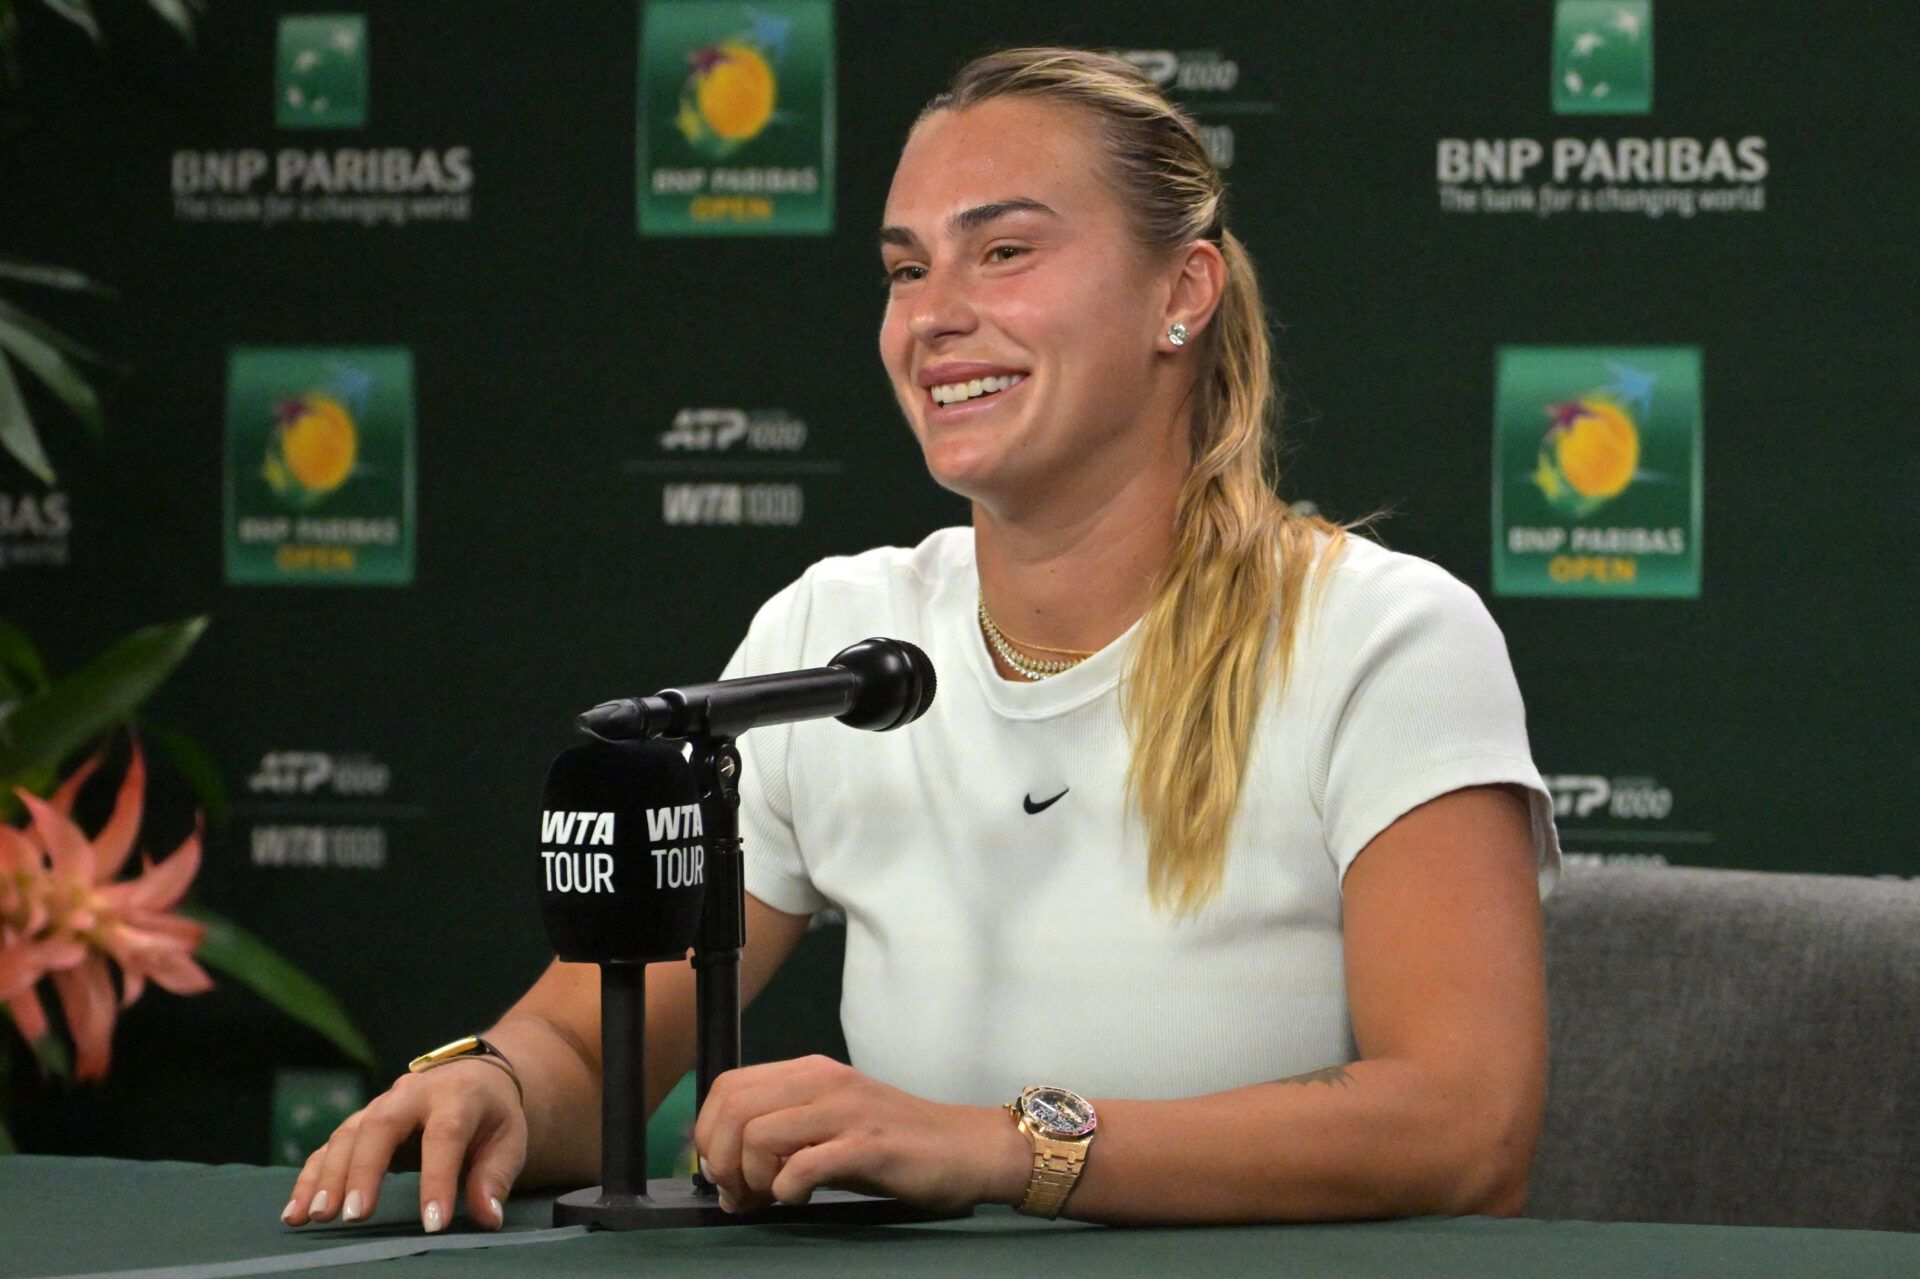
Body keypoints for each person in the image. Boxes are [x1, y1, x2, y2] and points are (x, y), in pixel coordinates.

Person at [281, 47, 1560, 1232]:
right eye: (906, 269)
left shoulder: (1382, 637)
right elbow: (585, 1050)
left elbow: (1464, 1125)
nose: (932, 315)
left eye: (1002, 252)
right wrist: (495, 1088)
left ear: (1182, 291)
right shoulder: (837, 632)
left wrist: (1008, 1148)